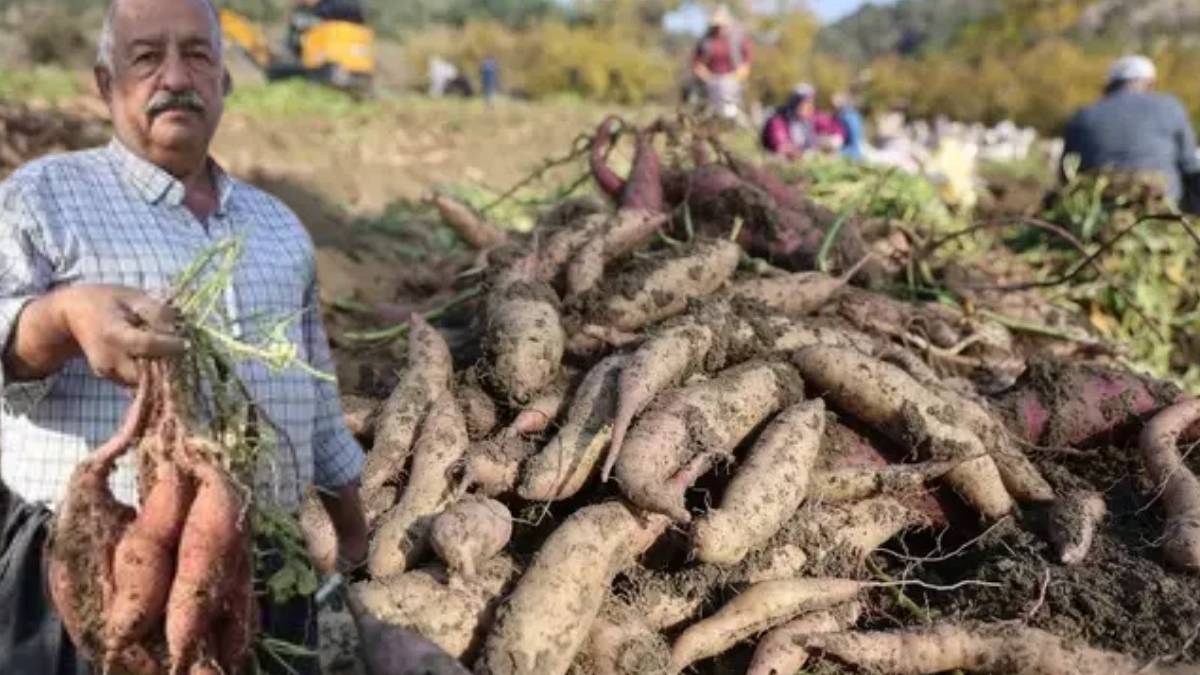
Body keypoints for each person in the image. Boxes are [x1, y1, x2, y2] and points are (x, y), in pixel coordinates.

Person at [0, 1, 369, 673]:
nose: (175, 75)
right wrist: (61, 317)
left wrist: (353, 533)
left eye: (198, 54)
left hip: (259, 572)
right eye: (146, 57)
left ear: (225, 80)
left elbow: (315, 403)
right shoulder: (42, 197)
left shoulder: (279, 228)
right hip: (93, 568)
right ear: (104, 83)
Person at [1062, 54, 1199, 204]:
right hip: (1163, 206)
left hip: (1099, 208)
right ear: (1150, 83)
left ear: (1110, 85)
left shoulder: (1082, 115)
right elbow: (1189, 165)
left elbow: (1066, 172)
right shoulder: (1171, 106)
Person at [692, 5, 752, 120]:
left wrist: (738, 75)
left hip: (733, 80)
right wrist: (707, 76)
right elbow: (696, 63)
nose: (720, 28)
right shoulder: (705, 40)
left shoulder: (737, 38)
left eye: (722, 25)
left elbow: (747, 60)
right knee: (708, 108)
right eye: (717, 25)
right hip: (711, 81)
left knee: (732, 107)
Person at [762, 84, 844, 159]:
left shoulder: (814, 117)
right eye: (805, 103)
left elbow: (834, 127)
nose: (809, 107)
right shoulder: (778, 121)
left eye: (811, 103)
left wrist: (833, 140)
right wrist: (806, 152)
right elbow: (781, 145)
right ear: (794, 103)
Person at [833, 91, 866, 162]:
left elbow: (853, 140)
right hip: (851, 151)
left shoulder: (848, 116)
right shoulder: (848, 115)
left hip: (850, 154)